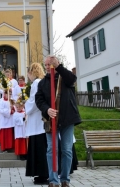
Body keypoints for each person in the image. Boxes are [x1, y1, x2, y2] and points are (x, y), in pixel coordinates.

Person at [35, 55, 81, 187]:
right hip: (51, 120)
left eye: (51, 64)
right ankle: (53, 180)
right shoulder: (43, 83)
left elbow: (72, 79)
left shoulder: (64, 77)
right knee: (51, 149)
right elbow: (39, 100)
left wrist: (59, 67)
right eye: (46, 65)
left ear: (56, 64)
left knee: (66, 149)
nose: (48, 67)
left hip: (67, 118)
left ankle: (65, 179)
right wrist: (47, 109)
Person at [25, 63, 48, 185]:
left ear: (31, 72)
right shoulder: (43, 81)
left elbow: (34, 102)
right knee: (44, 147)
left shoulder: (36, 83)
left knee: (39, 148)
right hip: (42, 118)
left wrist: (25, 107)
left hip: (37, 121)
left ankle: (42, 174)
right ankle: (44, 173)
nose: (28, 77)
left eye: (28, 73)